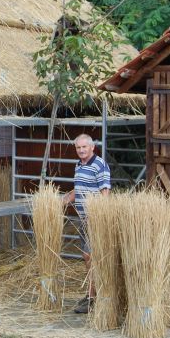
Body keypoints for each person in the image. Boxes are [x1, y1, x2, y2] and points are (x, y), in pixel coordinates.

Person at [62, 133, 111, 314]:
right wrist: (64, 200)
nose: (81, 150)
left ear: (92, 147)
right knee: (87, 257)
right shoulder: (79, 165)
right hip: (83, 219)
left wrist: (98, 216)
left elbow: (105, 193)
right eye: (78, 147)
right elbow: (79, 188)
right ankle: (92, 293)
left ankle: (92, 297)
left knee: (91, 257)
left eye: (84, 147)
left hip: (94, 219)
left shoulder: (100, 165)